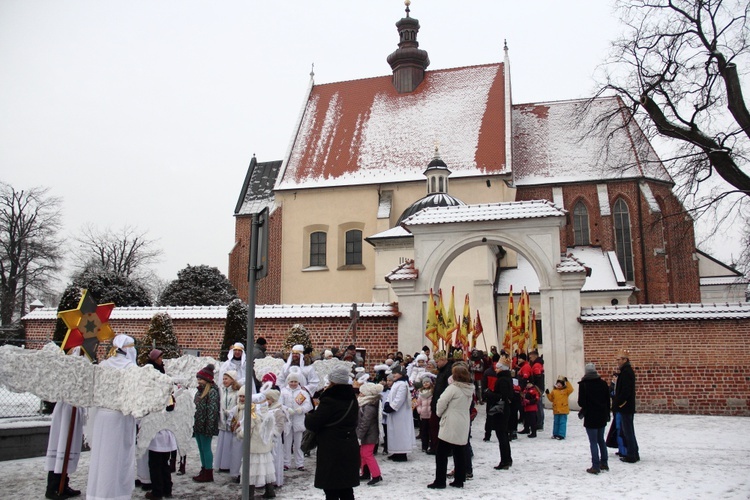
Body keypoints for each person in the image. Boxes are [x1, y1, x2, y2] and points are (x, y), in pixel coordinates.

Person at [86, 334, 138, 500]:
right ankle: (115, 494)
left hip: (102, 417)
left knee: (102, 457)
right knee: (116, 458)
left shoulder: (103, 365)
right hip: (119, 418)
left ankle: (98, 493)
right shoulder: (131, 368)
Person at [305, 366, 360, 500]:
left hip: (331, 447)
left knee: (331, 488)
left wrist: (309, 415)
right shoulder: (352, 399)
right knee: (346, 487)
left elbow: (314, 423)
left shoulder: (329, 400)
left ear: (332, 382)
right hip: (349, 445)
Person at [45, 347, 85, 500]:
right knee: (60, 446)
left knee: (68, 448)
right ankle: (53, 487)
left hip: (73, 409)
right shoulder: (65, 371)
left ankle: (64, 483)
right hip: (66, 410)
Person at [428, 363, 474, 489]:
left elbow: (441, 402)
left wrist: (439, 413)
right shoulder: (469, 388)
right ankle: (459, 479)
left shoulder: (453, 388)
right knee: (459, 452)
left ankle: (440, 480)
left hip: (450, 421)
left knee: (441, 453)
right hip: (463, 420)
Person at [578, 362, 611, 474]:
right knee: (601, 440)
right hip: (601, 415)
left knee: (593, 441)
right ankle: (604, 463)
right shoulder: (603, 384)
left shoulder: (584, 384)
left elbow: (581, 402)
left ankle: (595, 466)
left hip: (591, 415)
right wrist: (607, 413)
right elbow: (607, 400)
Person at [145, 395, 177, 500]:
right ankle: (167, 489)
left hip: (157, 438)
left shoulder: (157, 397)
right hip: (166, 437)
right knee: (164, 465)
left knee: (155, 467)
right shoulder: (170, 397)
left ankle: (157, 492)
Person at [281, 370, 313, 471]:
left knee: (298, 443)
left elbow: (308, 405)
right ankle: (286, 462)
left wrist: (301, 409)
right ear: (288, 382)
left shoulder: (302, 393)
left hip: (298, 420)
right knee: (287, 443)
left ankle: (300, 463)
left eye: (295, 381)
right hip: (287, 420)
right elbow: (279, 404)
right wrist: (286, 409)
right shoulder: (283, 392)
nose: (293, 383)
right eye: (291, 381)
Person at [192, 364, 220, 483]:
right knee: (201, 448)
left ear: (207, 379)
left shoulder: (212, 392)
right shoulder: (199, 392)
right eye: (198, 379)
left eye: (201, 379)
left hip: (206, 426)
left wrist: (209, 427)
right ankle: (203, 469)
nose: (199, 381)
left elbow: (212, 411)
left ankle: (208, 472)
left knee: (206, 448)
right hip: (198, 425)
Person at [486, 355, 514, 470]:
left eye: (497, 368)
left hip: (501, 410)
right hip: (504, 409)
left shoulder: (502, 380)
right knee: (503, 435)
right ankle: (507, 459)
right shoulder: (506, 378)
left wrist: (489, 393)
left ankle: (505, 460)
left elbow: (502, 396)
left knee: (501, 435)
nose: (495, 369)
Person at [383, 364, 415, 462]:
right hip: (395, 414)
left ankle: (402, 453)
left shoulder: (403, 384)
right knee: (394, 433)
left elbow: (399, 399)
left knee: (400, 433)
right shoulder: (397, 383)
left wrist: (392, 407)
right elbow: (391, 395)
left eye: (395, 373)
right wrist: (387, 402)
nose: (394, 375)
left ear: (401, 374)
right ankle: (396, 451)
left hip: (401, 414)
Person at [613, 348, 640, 463]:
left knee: (627, 431)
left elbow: (626, 391)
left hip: (626, 406)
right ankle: (634, 452)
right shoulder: (625, 371)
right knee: (628, 430)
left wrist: (619, 402)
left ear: (625, 360)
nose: (617, 362)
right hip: (625, 406)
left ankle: (632, 455)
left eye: (619, 359)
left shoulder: (627, 372)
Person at [357, 381, 384, 486]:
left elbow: (365, 422)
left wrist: (359, 435)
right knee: (363, 454)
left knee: (367, 454)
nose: (360, 394)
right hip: (367, 434)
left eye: (362, 392)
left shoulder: (369, 406)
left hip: (369, 435)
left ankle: (376, 475)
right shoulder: (365, 403)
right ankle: (365, 472)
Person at [214, 370, 241, 473]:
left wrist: (230, 412)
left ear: (232, 380)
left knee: (230, 444)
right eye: (223, 379)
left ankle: (228, 465)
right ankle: (221, 463)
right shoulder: (222, 391)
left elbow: (238, 406)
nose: (224, 381)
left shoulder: (236, 393)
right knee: (222, 444)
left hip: (231, 422)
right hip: (223, 423)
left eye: (227, 379)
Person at [428, 350, 452, 454]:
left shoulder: (448, 371)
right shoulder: (442, 370)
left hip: (442, 405)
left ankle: (439, 448)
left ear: (443, 360)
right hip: (437, 403)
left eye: (437, 362)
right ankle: (435, 447)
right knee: (434, 426)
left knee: (439, 428)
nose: (436, 364)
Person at [262, 388, 287, 490]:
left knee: (274, 459)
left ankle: (275, 480)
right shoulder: (266, 409)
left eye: (268, 399)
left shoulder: (278, 410)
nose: (266, 401)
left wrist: (273, 433)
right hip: (266, 438)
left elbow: (280, 425)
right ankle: (265, 480)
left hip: (274, 439)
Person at [546, 375, 574, 439]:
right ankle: (555, 434)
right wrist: (548, 394)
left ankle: (561, 434)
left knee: (562, 423)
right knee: (556, 422)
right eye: (558, 384)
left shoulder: (566, 390)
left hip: (563, 409)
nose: (559, 385)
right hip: (556, 410)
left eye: (560, 384)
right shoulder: (554, 391)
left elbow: (571, 389)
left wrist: (567, 381)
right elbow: (551, 399)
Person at [415, 374, 434, 452]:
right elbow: (418, 404)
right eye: (424, 383)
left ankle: (431, 444)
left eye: (427, 382)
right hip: (423, 415)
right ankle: (424, 446)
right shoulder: (421, 393)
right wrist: (419, 410)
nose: (426, 384)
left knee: (431, 431)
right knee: (424, 431)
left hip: (431, 414)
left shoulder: (432, 392)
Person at [529, 349, 545, 430]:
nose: (530, 358)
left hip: (537, 387)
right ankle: (539, 423)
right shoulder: (537, 364)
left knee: (538, 406)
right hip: (538, 386)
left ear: (535, 356)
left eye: (531, 357)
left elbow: (537, 376)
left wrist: (532, 382)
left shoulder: (536, 365)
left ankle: (539, 423)